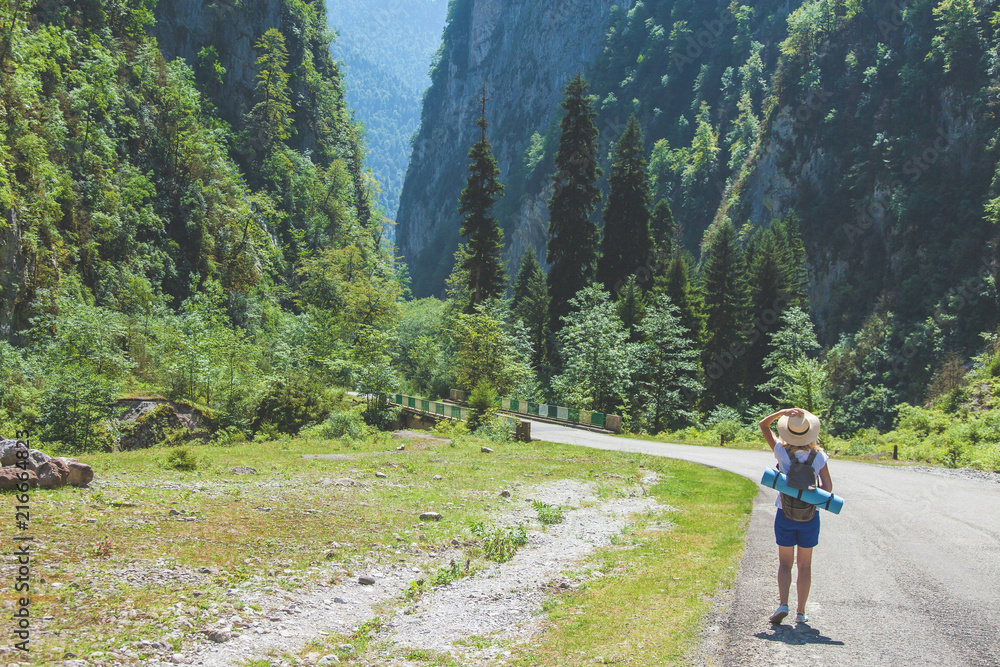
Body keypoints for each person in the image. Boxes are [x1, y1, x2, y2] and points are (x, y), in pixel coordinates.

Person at [758, 407, 833, 625]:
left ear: (788, 431)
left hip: (785, 513)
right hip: (809, 517)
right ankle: (801, 612)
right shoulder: (819, 457)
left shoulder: (781, 451)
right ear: (811, 432)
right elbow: (828, 489)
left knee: (784, 563)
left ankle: (783, 604)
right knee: (805, 565)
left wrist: (781, 412)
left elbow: (763, 425)